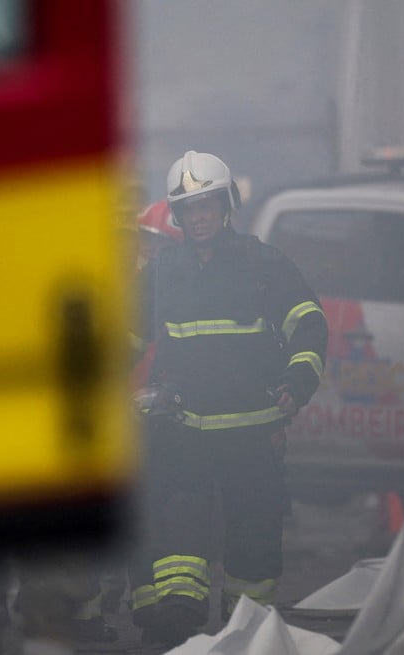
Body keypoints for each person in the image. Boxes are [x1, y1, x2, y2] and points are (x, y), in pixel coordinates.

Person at [130, 151, 328, 645]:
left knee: (254, 543)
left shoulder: (264, 265)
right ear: (178, 214)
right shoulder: (161, 273)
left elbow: (309, 323)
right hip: (184, 434)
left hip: (252, 434)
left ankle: (248, 629)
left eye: (206, 206)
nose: (198, 217)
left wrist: (298, 381)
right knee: (180, 539)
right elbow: (123, 339)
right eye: (188, 209)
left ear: (226, 207)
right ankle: (178, 621)